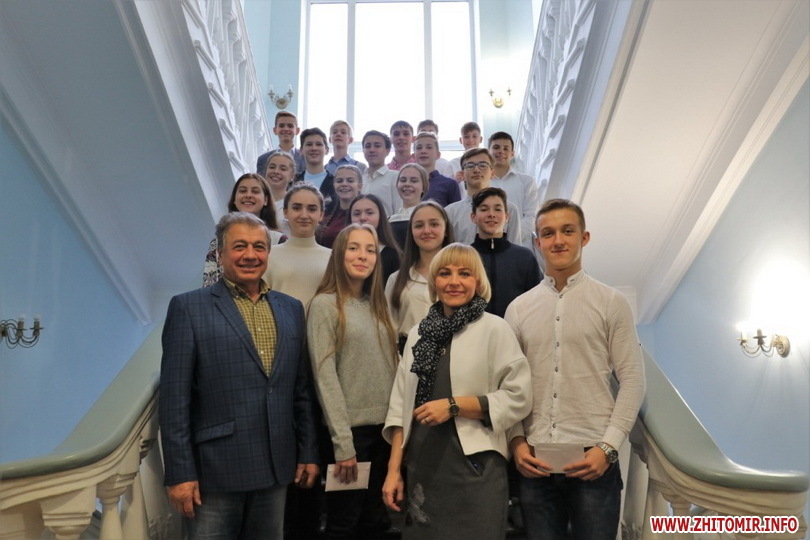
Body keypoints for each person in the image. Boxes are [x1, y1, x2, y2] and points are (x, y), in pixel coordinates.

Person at [160, 212, 320, 539]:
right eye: (239, 246)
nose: (250, 255)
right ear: (220, 254)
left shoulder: (291, 309)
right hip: (214, 472)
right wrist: (179, 473)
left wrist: (307, 452)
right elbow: (175, 400)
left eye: (259, 247)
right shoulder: (189, 308)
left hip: (277, 467)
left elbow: (300, 390)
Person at [504, 199, 645, 540]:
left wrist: (608, 447)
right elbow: (509, 386)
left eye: (567, 231)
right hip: (535, 461)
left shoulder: (611, 303)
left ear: (584, 237)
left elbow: (633, 380)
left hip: (594, 460)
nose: (558, 240)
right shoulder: (518, 309)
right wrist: (517, 442)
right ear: (537, 242)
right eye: (548, 233)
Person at [382, 243, 532, 540]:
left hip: (475, 470)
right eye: (445, 273)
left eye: (464, 273)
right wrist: (393, 470)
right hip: (423, 467)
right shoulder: (418, 334)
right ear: (434, 281)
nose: (454, 282)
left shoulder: (495, 329)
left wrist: (454, 405)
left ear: (478, 281)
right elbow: (400, 406)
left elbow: (519, 396)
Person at [308, 224, 399, 539]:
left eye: (370, 250)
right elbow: (325, 378)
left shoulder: (377, 305)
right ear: (339, 254)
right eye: (354, 248)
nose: (363, 256)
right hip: (350, 436)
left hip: (383, 434)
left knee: (376, 521)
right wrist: (343, 445)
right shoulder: (325, 305)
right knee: (343, 523)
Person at [385, 200, 454, 355]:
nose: (426, 230)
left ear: (446, 230)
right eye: (419, 225)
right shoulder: (396, 280)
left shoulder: (462, 278)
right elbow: (389, 330)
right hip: (407, 358)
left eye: (434, 224)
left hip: (452, 357)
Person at [203, 173, 285, 287]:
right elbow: (209, 285)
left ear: (266, 200)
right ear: (234, 199)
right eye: (243, 191)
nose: (248, 195)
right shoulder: (218, 242)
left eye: (255, 191)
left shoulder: (280, 241)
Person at [470, 187, 542, 318]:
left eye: (498, 209)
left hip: (514, 329)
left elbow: (537, 302)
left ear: (507, 216)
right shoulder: (464, 257)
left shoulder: (524, 258)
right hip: (473, 328)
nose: (491, 214)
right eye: (484, 209)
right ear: (473, 217)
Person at [264, 183, 331, 306]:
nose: (304, 215)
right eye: (296, 208)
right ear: (285, 212)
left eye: (312, 209)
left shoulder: (332, 258)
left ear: (321, 215)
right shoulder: (269, 255)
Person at [444, 148, 522, 244]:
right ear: (462, 174)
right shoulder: (450, 212)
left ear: (492, 173)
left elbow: (515, 247)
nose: (476, 170)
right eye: (470, 166)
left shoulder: (509, 209)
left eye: (483, 165)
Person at [488, 132, 540, 249]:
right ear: (488, 151)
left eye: (506, 148)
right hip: (488, 245)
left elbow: (532, 217)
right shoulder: (482, 183)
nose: (501, 151)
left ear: (512, 153)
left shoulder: (526, 181)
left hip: (520, 246)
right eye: (496, 147)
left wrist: (508, 236)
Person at [349, 193, 402, 283]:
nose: (362, 218)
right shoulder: (342, 251)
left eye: (369, 213)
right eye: (357, 214)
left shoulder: (394, 256)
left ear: (380, 216)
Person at [318, 164, 362, 249]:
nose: (344, 184)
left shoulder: (366, 215)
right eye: (339, 181)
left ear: (360, 186)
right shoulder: (327, 214)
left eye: (350, 181)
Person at [413, 131, 461, 207]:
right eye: (419, 148)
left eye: (429, 147)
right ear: (414, 155)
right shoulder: (408, 184)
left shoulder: (449, 184)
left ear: (438, 155)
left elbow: (456, 212)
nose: (423, 151)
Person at [388, 163, 429, 249]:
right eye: (403, 180)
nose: (407, 184)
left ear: (423, 186)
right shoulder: (389, 220)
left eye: (414, 181)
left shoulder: (429, 218)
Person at [294, 127, 337, 210]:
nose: (314, 148)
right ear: (301, 150)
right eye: (309, 144)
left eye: (318, 144)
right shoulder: (293, 183)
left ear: (326, 150)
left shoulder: (335, 183)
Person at [360, 130, 400, 215]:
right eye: (368, 146)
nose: (372, 150)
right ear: (363, 151)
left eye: (377, 146)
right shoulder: (359, 179)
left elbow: (399, 210)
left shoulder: (395, 177)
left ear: (387, 151)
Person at [256, 111, 306, 176]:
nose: (286, 129)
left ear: (297, 130)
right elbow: (261, 182)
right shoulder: (263, 159)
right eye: (281, 126)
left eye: (290, 126)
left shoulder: (305, 158)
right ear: (275, 130)